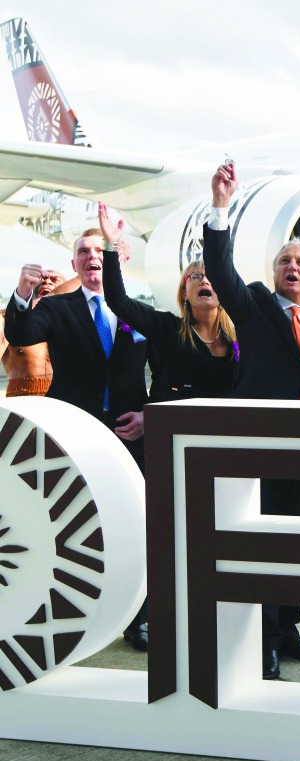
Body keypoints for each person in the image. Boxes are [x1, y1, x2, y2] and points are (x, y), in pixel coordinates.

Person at [206, 162, 300, 680]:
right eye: (284, 259)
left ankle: (287, 628)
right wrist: (222, 207)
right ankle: (260, 641)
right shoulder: (258, 305)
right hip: (259, 447)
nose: (291, 267)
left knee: (295, 542)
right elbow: (221, 273)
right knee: (260, 544)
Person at [4, 227, 158, 651]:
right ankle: (72, 613)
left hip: (132, 435)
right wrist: (22, 293)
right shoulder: (57, 308)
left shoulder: (138, 311)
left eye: (98, 250)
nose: (92, 257)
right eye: (83, 252)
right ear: (74, 264)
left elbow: (162, 372)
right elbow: (19, 335)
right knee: (73, 527)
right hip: (75, 433)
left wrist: (148, 417)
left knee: (142, 525)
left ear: (114, 260)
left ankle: (138, 617)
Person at [98, 203, 238, 402]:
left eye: (211, 278)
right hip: (182, 429)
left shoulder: (237, 336)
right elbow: (119, 302)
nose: (205, 281)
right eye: (196, 276)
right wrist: (111, 247)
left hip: (228, 429)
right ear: (183, 293)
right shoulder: (169, 329)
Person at [1, 267, 78, 396]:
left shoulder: (75, 323)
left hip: (64, 402)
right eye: (41, 280)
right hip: (22, 402)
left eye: (54, 280)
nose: (46, 282)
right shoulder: (6, 319)